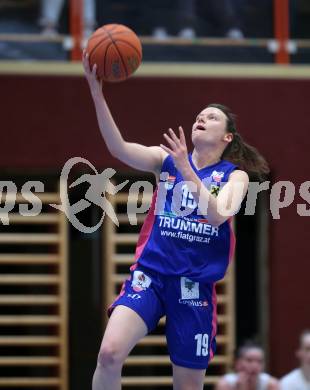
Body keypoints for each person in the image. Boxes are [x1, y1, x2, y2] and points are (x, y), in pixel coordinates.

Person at [82, 50, 269, 390]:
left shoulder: (235, 177)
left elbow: (216, 215)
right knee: (108, 354)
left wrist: (186, 168)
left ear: (227, 137)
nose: (202, 118)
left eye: (212, 118)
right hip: (151, 276)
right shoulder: (165, 160)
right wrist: (97, 93)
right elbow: (118, 147)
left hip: (194, 287)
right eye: (200, 115)